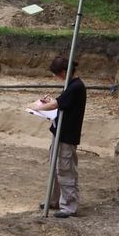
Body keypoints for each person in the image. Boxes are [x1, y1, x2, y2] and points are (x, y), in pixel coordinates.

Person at [26, 56, 87, 218]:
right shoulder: (71, 86)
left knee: (65, 170)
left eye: (57, 74)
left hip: (67, 136)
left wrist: (37, 106)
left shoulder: (76, 87)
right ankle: (54, 200)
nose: (57, 77)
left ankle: (69, 206)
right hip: (59, 133)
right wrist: (49, 102)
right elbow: (60, 102)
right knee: (55, 168)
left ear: (64, 72)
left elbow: (56, 105)